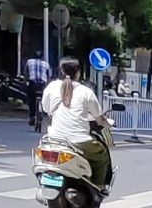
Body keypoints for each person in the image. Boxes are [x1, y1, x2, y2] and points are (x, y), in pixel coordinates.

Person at [39, 56, 112, 187]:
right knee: (102, 156)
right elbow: (99, 118)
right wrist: (106, 123)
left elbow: (46, 109)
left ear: (61, 71)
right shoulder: (86, 92)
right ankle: (99, 187)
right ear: (78, 73)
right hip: (79, 141)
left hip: (54, 139)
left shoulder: (51, 87)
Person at [24, 49, 52, 129]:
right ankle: (43, 111)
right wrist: (47, 85)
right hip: (42, 85)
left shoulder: (29, 62)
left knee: (31, 99)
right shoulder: (46, 64)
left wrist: (25, 82)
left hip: (32, 84)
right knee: (44, 98)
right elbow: (48, 76)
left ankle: (32, 115)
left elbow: (26, 73)